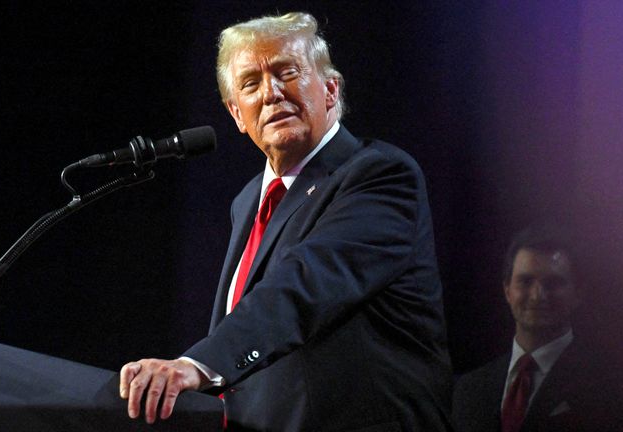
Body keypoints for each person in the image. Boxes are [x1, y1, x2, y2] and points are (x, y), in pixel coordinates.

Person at [120, 12, 452, 431]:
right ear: (237, 114)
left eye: (286, 72)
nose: (271, 93)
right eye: (250, 84)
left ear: (330, 89)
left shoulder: (379, 174)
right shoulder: (247, 202)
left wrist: (200, 363)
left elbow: (305, 283)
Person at [451, 225, 623, 432]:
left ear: (578, 293)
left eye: (553, 283)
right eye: (525, 281)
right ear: (507, 290)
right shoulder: (469, 390)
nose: (537, 295)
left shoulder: (614, 388)